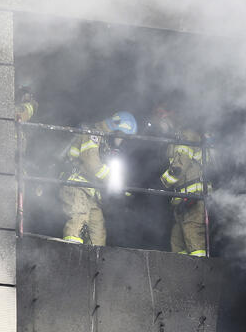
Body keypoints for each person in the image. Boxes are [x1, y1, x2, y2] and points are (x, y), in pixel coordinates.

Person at [60, 111, 137, 245]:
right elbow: (92, 163)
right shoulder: (93, 134)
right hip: (77, 185)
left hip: (92, 192)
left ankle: (95, 264)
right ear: (116, 128)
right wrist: (114, 183)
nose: (122, 140)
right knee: (78, 220)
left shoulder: (104, 141)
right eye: (123, 135)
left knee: (97, 232)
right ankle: (70, 256)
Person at [151, 107, 208, 257]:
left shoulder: (187, 136)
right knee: (177, 242)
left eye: (166, 115)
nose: (163, 120)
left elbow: (179, 166)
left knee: (193, 236)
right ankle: (184, 275)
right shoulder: (176, 138)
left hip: (195, 198)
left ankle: (201, 272)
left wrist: (161, 184)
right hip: (181, 200)